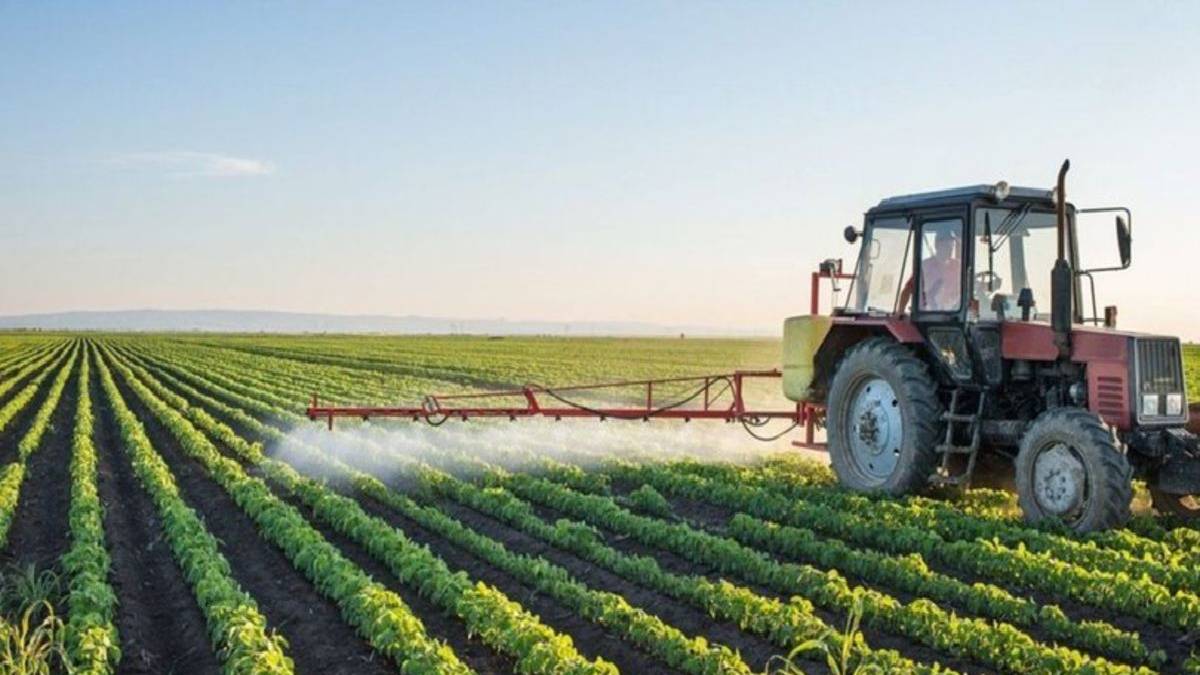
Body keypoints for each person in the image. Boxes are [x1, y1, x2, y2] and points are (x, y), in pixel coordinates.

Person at [921, 227, 962, 311]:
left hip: (953, 315)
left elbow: (965, 289)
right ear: (937, 245)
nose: (950, 248)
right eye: (946, 245)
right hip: (928, 314)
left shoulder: (958, 266)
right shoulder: (925, 265)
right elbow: (909, 288)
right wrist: (900, 312)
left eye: (952, 245)